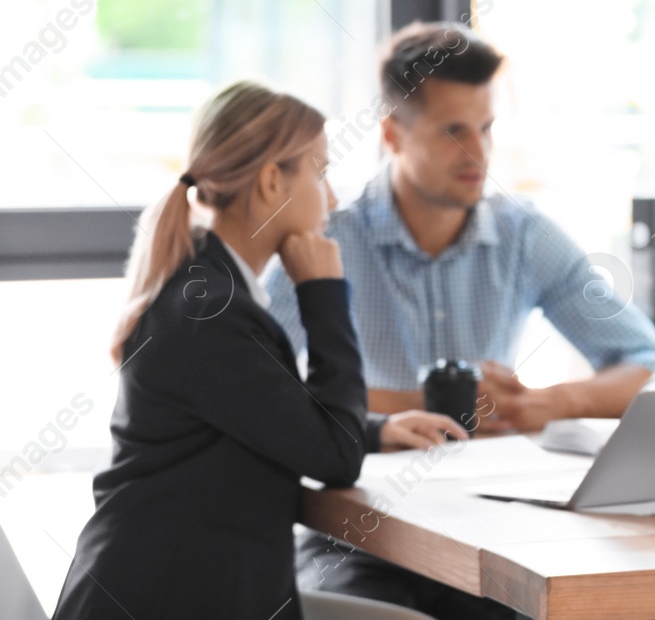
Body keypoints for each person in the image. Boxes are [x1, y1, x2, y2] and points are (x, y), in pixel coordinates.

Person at [266, 21, 655, 619]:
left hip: (492, 533)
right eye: (453, 131)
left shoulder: (523, 233)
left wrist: (544, 403)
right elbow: (265, 394)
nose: (478, 153)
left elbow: (648, 363)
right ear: (392, 136)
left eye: (485, 129)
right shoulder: (328, 237)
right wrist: (419, 406)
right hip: (357, 536)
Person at [54, 81, 457, 620]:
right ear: (271, 181)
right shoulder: (212, 314)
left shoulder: (210, 290)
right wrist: (323, 294)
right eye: (320, 172)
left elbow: (256, 414)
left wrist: (376, 429)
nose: (332, 198)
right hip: (162, 600)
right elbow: (336, 460)